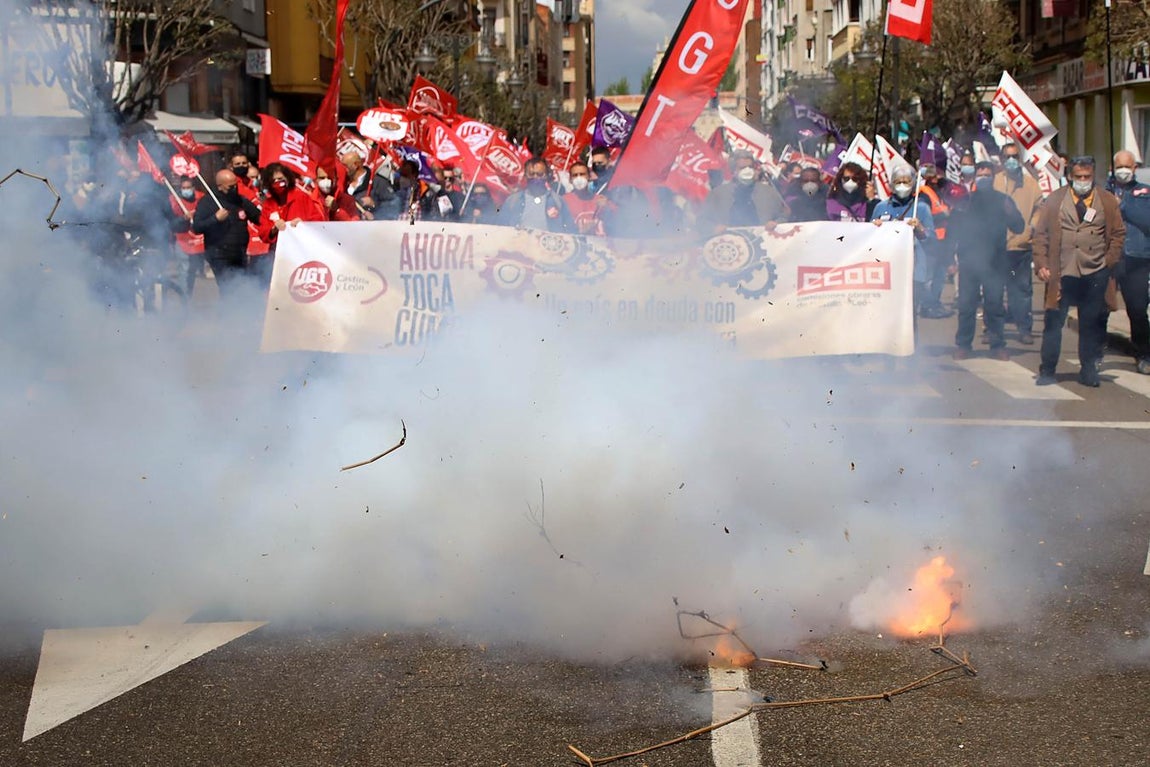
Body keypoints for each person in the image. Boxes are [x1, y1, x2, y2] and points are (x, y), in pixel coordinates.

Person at [1032, 156, 1126, 387]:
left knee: (1090, 324)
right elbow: (1040, 235)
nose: (1083, 181)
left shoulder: (1107, 201)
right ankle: (1048, 369)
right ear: (1070, 177)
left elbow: (1118, 234)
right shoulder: (1055, 200)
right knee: (1054, 322)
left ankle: (1088, 370)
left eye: (1087, 177)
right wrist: (1042, 263)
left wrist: (1108, 261)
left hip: (1095, 272)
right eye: (1078, 177)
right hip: (1061, 272)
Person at [948, 162, 1025, 360]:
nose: (984, 178)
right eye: (981, 174)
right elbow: (952, 232)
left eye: (988, 175)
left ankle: (997, 344)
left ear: (993, 178)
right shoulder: (965, 201)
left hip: (995, 262)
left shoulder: (1003, 200)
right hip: (969, 261)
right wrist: (949, 258)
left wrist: (1011, 212)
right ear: (974, 177)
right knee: (966, 305)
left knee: (994, 305)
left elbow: (1019, 227)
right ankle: (964, 344)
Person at [994, 142, 1045, 344]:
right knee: (995, 290)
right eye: (1007, 157)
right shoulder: (994, 182)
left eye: (1015, 156)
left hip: (1020, 248)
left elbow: (1040, 209)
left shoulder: (1031, 184)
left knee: (1021, 290)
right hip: (997, 248)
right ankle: (994, 330)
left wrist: (1032, 227)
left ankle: (1024, 328)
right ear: (1001, 159)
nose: (1011, 160)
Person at [869, 163, 935, 318]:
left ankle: (911, 343)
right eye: (898, 182)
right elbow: (869, 240)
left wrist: (920, 228)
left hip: (913, 270)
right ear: (892, 184)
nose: (902, 185)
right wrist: (874, 227)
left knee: (908, 316)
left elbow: (932, 239)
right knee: (885, 315)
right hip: (886, 270)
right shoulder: (881, 207)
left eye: (906, 182)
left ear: (913, 184)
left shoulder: (922, 208)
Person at [1110, 149, 1150, 374]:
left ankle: (1144, 353)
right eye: (1119, 166)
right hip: (1110, 258)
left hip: (1136, 259)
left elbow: (1147, 219)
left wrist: (1121, 205)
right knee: (1099, 307)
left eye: (1127, 166)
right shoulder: (1104, 190)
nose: (1123, 171)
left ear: (1134, 168)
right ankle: (1093, 355)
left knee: (1136, 309)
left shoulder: (1144, 192)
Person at [192, 169, 261, 297]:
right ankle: (227, 315)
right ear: (220, 186)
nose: (234, 188)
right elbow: (197, 227)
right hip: (219, 254)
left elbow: (258, 217)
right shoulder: (207, 202)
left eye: (236, 185)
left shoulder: (240, 200)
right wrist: (215, 219)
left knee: (241, 288)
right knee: (229, 288)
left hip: (239, 253)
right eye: (230, 186)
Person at [257, 162, 326, 285]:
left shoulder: (301, 197)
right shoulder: (268, 204)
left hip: (302, 254)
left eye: (281, 179)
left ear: (288, 179)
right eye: (274, 181)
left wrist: (303, 224)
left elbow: (319, 221)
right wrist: (273, 229)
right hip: (279, 256)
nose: (278, 183)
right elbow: (263, 232)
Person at [701, 149, 788, 235]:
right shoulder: (718, 194)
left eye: (750, 167)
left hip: (762, 242)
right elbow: (702, 221)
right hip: (730, 244)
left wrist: (776, 223)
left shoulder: (769, 192)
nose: (747, 170)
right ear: (733, 171)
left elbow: (784, 215)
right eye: (742, 168)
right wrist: (713, 228)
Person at [916, 164, 956, 319]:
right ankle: (928, 306)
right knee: (931, 276)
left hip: (942, 239)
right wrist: (944, 216)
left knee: (939, 275)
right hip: (932, 240)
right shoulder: (924, 194)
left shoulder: (937, 192)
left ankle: (933, 304)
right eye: (934, 176)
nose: (937, 178)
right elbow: (924, 217)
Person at [495, 157, 573, 231]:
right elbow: (501, 227)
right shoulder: (513, 200)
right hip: (519, 243)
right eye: (531, 174)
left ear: (546, 175)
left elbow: (569, 228)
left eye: (540, 174)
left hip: (547, 243)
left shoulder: (557, 201)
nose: (535, 177)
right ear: (525, 176)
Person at [171, 176, 205, 296]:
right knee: (183, 269)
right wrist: (183, 219)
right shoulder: (174, 200)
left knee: (192, 270)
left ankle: (188, 292)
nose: (186, 190)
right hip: (181, 238)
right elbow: (171, 222)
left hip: (197, 239)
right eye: (183, 188)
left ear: (193, 188)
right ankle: (184, 296)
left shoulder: (202, 198)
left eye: (188, 188)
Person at [563, 161, 605, 235]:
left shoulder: (600, 200)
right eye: (575, 175)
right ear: (570, 179)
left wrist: (607, 206)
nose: (579, 178)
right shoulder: (563, 200)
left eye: (582, 174)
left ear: (589, 177)